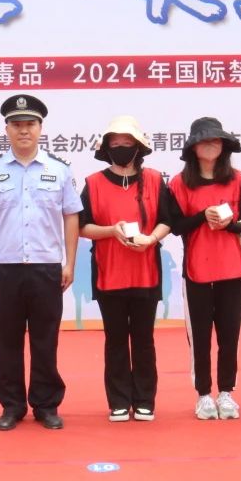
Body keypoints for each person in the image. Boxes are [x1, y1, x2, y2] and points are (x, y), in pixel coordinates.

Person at [0, 94, 81, 431]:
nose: (23, 130)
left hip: (47, 267)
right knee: (7, 341)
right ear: (6, 129)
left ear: (40, 128)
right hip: (5, 268)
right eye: (16, 124)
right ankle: (11, 405)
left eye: (30, 124)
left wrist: (69, 263)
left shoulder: (58, 170)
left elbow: (71, 216)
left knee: (46, 340)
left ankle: (46, 405)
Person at [79, 116, 171, 422]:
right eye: (115, 143)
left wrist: (151, 239)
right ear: (106, 148)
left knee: (144, 339)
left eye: (127, 142)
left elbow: (168, 219)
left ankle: (144, 400)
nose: (121, 147)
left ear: (139, 147)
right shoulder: (93, 183)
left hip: (146, 273)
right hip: (109, 274)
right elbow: (81, 226)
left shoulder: (154, 179)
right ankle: (118, 400)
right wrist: (110, 231)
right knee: (115, 339)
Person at [167, 117, 241, 420]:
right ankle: (203, 394)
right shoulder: (178, 184)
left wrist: (229, 224)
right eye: (204, 140)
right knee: (199, 338)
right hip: (197, 272)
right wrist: (203, 215)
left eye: (217, 140)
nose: (211, 145)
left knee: (230, 336)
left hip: (232, 269)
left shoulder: (238, 179)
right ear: (193, 147)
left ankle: (226, 392)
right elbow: (176, 226)